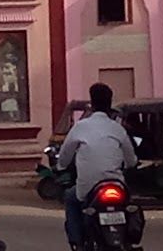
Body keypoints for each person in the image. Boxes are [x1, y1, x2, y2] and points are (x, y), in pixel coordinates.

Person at [57, 83, 138, 251]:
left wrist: (61, 166)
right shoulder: (117, 129)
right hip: (116, 184)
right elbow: (131, 160)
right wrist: (128, 165)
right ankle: (128, 241)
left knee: (71, 199)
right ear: (110, 104)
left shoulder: (80, 127)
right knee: (129, 205)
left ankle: (78, 243)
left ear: (92, 104)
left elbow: (64, 157)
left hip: (88, 186)